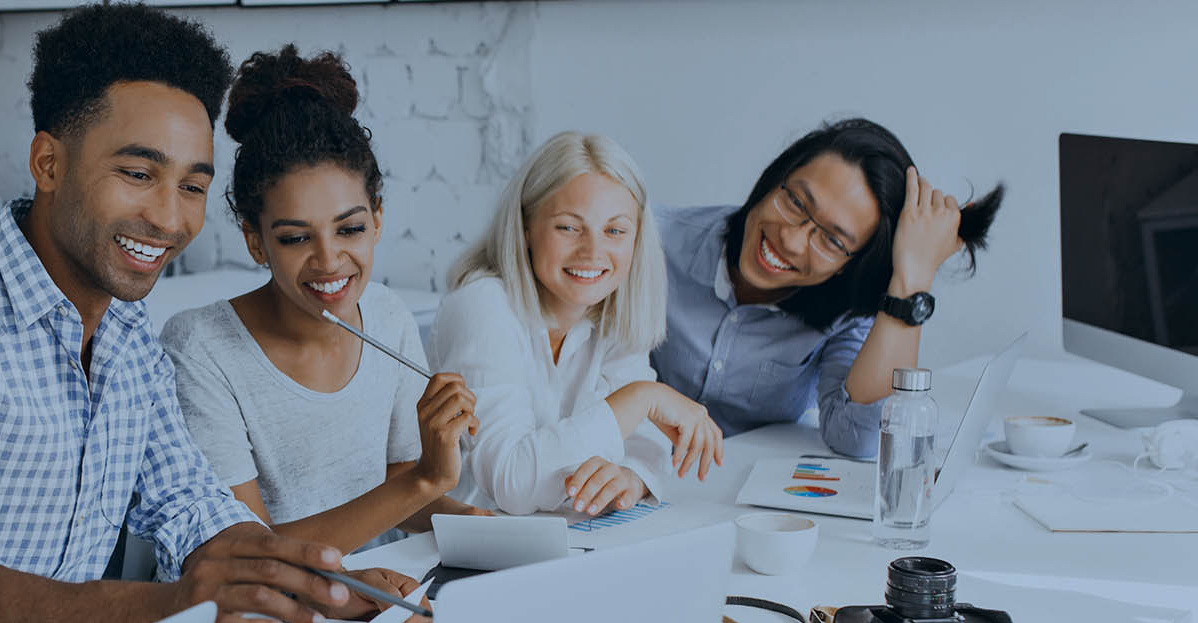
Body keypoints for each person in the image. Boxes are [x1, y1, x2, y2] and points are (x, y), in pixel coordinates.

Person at [0, 5, 426, 623]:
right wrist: (178, 610)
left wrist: (319, 585)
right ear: (48, 162)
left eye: (193, 186)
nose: (170, 219)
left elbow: (193, 510)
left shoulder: (128, 338)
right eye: (138, 173)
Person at [159, 45, 482, 555]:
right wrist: (426, 479)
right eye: (294, 238)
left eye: (350, 228)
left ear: (377, 218)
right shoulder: (199, 347)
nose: (329, 260)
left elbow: (401, 494)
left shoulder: (388, 316)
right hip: (255, 619)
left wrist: (488, 525)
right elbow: (248, 552)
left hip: (372, 598)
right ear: (254, 239)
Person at [651, 117, 1005, 457]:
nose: (790, 240)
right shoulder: (648, 241)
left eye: (833, 241)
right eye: (796, 202)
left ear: (851, 264)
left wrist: (911, 281)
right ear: (776, 178)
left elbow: (860, 438)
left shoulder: (847, 311)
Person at [429, 132, 724, 517]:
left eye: (615, 231)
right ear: (525, 229)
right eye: (569, 227)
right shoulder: (482, 305)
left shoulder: (610, 308)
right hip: (466, 549)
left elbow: (644, 445)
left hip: (567, 538)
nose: (593, 251)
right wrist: (641, 398)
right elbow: (511, 483)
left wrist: (628, 476)